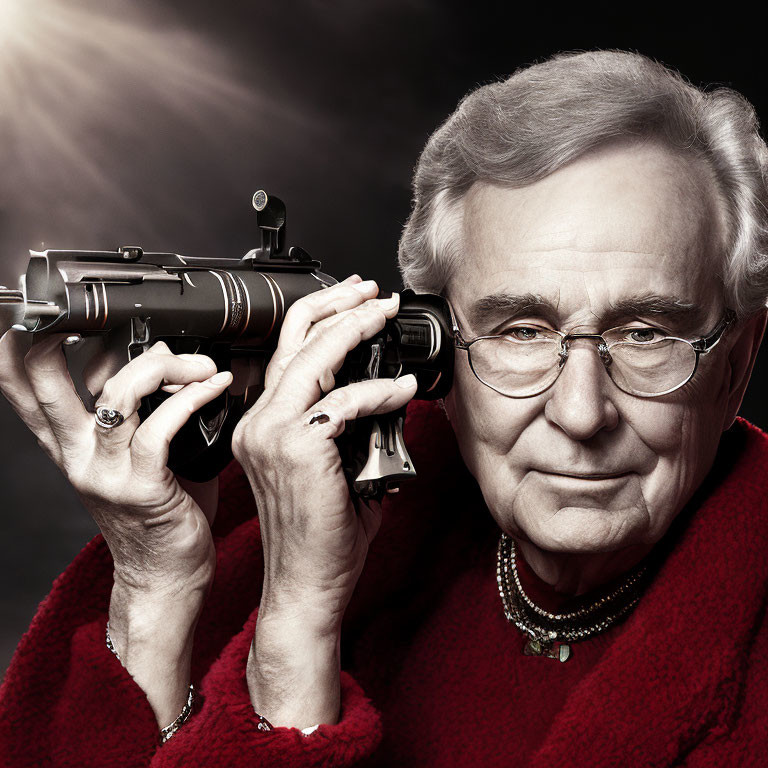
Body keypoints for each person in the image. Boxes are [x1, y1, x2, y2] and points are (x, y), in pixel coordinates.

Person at [1, 48, 768, 766]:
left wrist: (294, 639)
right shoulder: (300, 520)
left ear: (735, 363)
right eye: (520, 331)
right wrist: (158, 584)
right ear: (434, 351)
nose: (579, 411)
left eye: (644, 333)